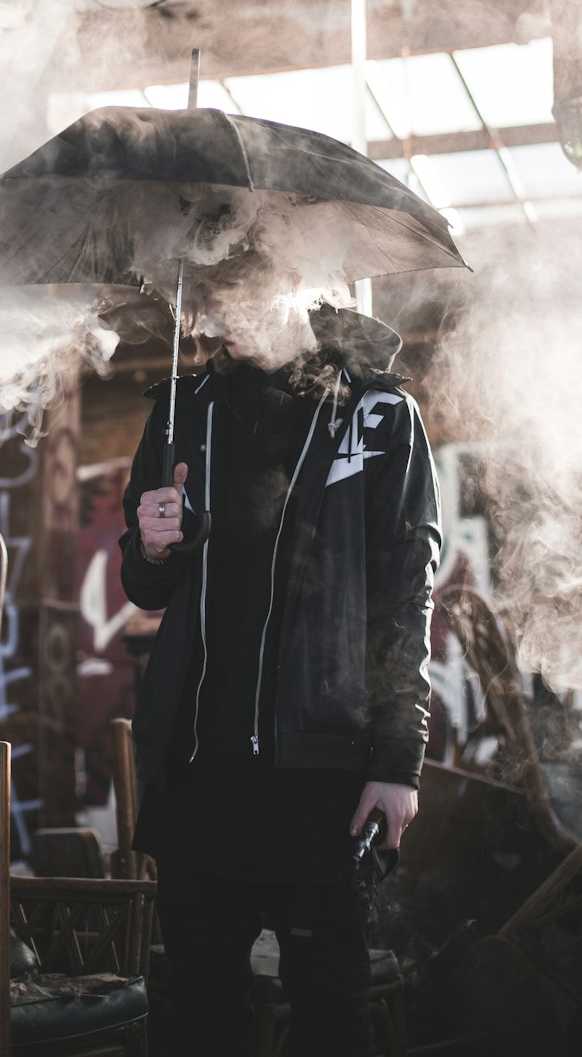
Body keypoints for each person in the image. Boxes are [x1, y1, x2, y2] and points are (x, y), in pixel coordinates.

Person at [118, 279, 441, 1057]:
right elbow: (143, 584)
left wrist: (400, 762)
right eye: (212, 276)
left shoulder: (378, 413)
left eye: (244, 271)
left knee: (331, 1019)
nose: (221, 297)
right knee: (197, 1019)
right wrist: (153, 543)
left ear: (296, 275)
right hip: (198, 771)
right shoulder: (177, 407)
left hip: (321, 773)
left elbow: (406, 594)